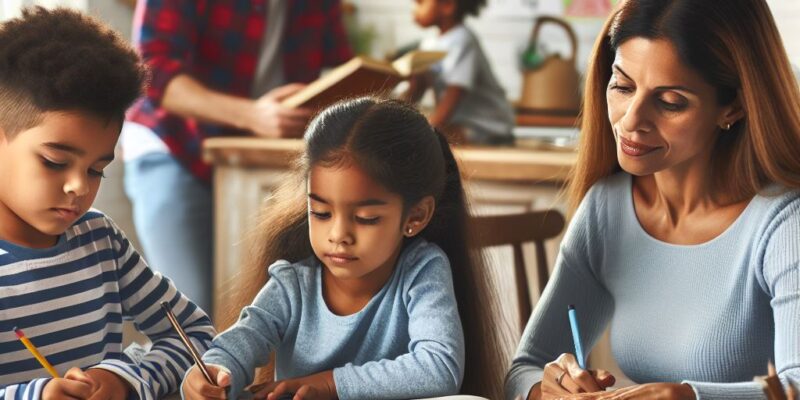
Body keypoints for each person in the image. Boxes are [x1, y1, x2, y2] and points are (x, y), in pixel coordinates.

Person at [505, 0, 800, 399]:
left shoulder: (783, 221)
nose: (630, 120)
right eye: (623, 86)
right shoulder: (607, 209)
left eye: (670, 102)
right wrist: (550, 389)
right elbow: (525, 368)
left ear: (733, 105)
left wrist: (687, 396)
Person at [181, 98, 508, 400]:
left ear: (415, 216)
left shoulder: (422, 270)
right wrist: (216, 370)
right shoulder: (292, 285)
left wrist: (327, 384)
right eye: (321, 213)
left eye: (366, 219)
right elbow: (246, 338)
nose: (338, 235)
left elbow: (440, 367)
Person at [0, 7, 215, 400]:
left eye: (97, 169)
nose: (78, 187)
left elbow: (196, 337)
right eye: (55, 162)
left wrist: (125, 379)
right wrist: (33, 395)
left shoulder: (100, 240)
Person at [124, 0, 353, 314]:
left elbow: (340, 66)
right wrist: (252, 115)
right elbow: (151, 71)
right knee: (192, 312)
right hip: (173, 145)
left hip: (263, 158)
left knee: (271, 306)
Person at [406, 0, 515, 145]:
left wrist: (427, 131)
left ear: (447, 5)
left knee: (437, 139)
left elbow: (454, 93)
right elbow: (417, 90)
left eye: (420, 2)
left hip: (487, 126)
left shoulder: (463, 40)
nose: (414, 9)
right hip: (458, 122)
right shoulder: (429, 44)